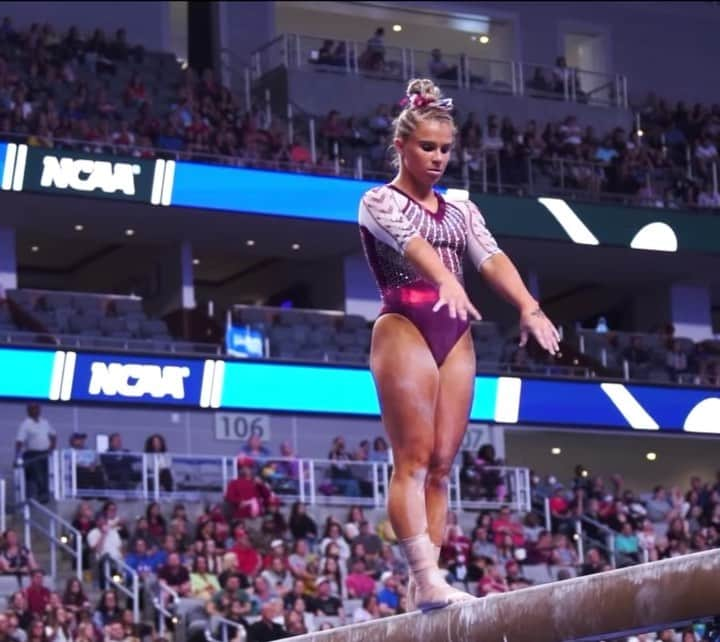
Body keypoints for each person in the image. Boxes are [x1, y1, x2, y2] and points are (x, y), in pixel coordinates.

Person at [357, 78, 560, 613]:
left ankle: (429, 581)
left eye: (446, 149)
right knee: (414, 459)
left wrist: (528, 307)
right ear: (400, 146)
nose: (438, 158)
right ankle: (423, 576)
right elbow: (413, 244)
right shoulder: (378, 200)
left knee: (445, 464)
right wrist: (445, 279)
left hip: (455, 333)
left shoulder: (463, 211)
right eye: (427, 147)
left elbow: (490, 258)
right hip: (404, 323)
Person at [15, 403, 56, 503]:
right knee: (38, 476)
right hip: (33, 454)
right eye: (32, 409)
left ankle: (45, 497)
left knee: (46, 476)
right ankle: (39, 498)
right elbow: (19, 442)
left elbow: (53, 435)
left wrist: (52, 448)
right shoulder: (25, 424)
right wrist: (17, 457)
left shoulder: (45, 422)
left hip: (45, 454)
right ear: (28, 411)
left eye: (37, 408)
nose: (35, 410)